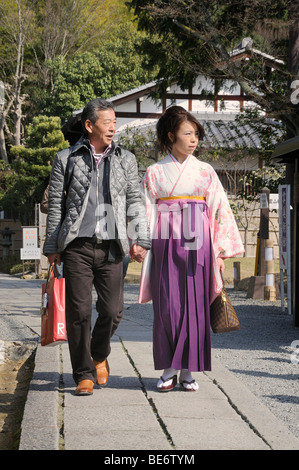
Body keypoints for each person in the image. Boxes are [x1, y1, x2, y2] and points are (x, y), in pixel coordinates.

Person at [43, 98, 150, 396]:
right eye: (107, 122)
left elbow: (133, 200)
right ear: (89, 125)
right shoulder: (66, 158)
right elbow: (56, 205)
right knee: (78, 311)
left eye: (115, 121)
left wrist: (141, 238)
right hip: (77, 245)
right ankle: (83, 374)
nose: (113, 126)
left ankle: (98, 353)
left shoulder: (125, 159)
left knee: (113, 311)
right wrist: (53, 245)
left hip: (113, 245)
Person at [139, 106, 244, 391]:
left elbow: (219, 208)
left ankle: (187, 371)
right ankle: (170, 367)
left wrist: (220, 252)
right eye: (188, 133)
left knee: (196, 306)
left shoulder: (205, 171)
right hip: (164, 240)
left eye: (196, 134)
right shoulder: (155, 172)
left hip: (198, 239)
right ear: (171, 135)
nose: (194, 139)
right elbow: (145, 209)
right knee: (168, 306)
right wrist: (140, 241)